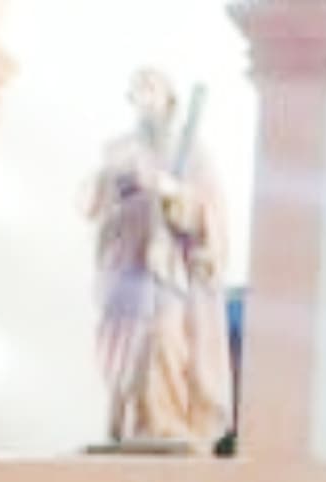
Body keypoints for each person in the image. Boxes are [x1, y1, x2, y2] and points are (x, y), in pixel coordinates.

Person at [85, 66, 232, 452]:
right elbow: (95, 202)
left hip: (167, 266)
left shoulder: (192, 153)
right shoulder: (120, 151)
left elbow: (208, 214)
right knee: (129, 346)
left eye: (152, 87)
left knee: (166, 335)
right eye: (137, 89)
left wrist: (174, 196)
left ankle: (165, 420)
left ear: (170, 98)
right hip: (128, 266)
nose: (143, 95)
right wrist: (124, 188)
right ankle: (131, 420)